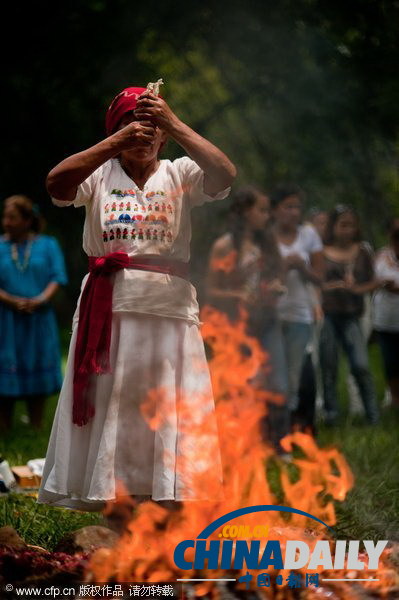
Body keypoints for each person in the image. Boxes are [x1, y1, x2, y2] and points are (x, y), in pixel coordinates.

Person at [38, 83, 236, 511]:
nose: (143, 135)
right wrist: (114, 143)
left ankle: (169, 496)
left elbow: (225, 174)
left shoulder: (180, 172)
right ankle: (114, 499)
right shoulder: (99, 175)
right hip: (110, 309)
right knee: (115, 403)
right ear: (117, 132)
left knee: (170, 403)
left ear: (164, 135)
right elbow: (56, 184)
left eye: (151, 127)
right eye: (132, 125)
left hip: (171, 311)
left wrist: (174, 122)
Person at [206, 186, 288, 451]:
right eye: (262, 210)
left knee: (277, 382)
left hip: (268, 321)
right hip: (238, 326)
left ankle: (278, 444)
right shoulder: (225, 246)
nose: (267, 215)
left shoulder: (268, 243)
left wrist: (276, 285)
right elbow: (211, 289)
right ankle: (244, 445)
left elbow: (279, 275)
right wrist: (237, 293)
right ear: (244, 212)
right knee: (242, 385)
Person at [0, 195, 67, 430]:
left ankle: (36, 426)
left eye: (13, 217)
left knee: (37, 361)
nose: (6, 222)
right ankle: (4, 426)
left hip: (39, 317)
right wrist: (11, 300)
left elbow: (57, 277)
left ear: (27, 220)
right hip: (6, 319)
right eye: (5, 217)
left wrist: (39, 300)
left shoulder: (47, 245)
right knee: (6, 364)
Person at [319, 204, 379, 425]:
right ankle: (331, 415)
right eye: (343, 225)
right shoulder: (321, 251)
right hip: (329, 315)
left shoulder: (363, 251)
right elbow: (316, 282)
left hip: (353, 315)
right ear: (333, 226)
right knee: (329, 366)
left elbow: (373, 281)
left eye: (352, 225)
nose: (347, 230)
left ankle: (372, 416)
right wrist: (331, 287)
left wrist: (356, 289)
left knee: (361, 365)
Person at [271, 185, 324, 418]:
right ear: (275, 210)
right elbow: (259, 277)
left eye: (297, 207)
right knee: (273, 370)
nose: (294, 212)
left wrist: (303, 268)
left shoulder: (309, 235)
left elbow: (321, 277)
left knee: (295, 372)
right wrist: (282, 268)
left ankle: (293, 422)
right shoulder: (266, 237)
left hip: (300, 313)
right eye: (288, 207)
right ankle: (272, 423)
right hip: (272, 314)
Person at [373, 216, 399, 409]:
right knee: (390, 362)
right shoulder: (381, 256)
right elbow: (372, 279)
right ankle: (394, 397)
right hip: (385, 319)